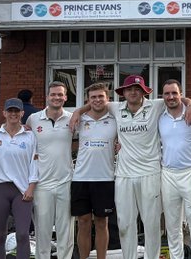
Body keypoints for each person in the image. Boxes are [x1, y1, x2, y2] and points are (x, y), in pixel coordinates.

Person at [70, 74, 179, 259]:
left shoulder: (156, 105)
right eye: (129, 89)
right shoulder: (116, 108)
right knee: (125, 224)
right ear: (123, 93)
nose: (133, 92)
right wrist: (77, 112)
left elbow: (177, 99)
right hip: (123, 175)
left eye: (137, 89)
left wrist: (190, 105)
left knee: (151, 224)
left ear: (144, 91)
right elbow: (96, 102)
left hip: (150, 173)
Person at [159, 79, 191, 259]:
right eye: (167, 93)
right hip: (168, 174)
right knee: (172, 225)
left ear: (181, 94)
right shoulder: (159, 115)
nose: (171, 97)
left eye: (174, 93)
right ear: (162, 96)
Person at [27, 82, 75, 259]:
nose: (56, 97)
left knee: (66, 231)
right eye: (53, 94)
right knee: (42, 231)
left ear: (65, 97)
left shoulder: (73, 118)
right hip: (42, 183)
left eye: (60, 94)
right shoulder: (33, 119)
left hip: (65, 181)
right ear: (47, 97)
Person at [72, 83, 118, 259]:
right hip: (81, 178)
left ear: (108, 99)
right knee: (83, 222)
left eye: (101, 96)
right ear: (88, 100)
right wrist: (78, 111)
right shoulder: (79, 119)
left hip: (105, 178)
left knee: (101, 223)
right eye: (93, 97)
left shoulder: (115, 119)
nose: (97, 100)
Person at [0, 98, 39, 259]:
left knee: (23, 234)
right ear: (4, 113)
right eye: (10, 111)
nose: (13, 114)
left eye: (16, 111)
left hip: (22, 190)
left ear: (22, 113)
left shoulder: (29, 136)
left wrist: (31, 186)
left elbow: (34, 162)